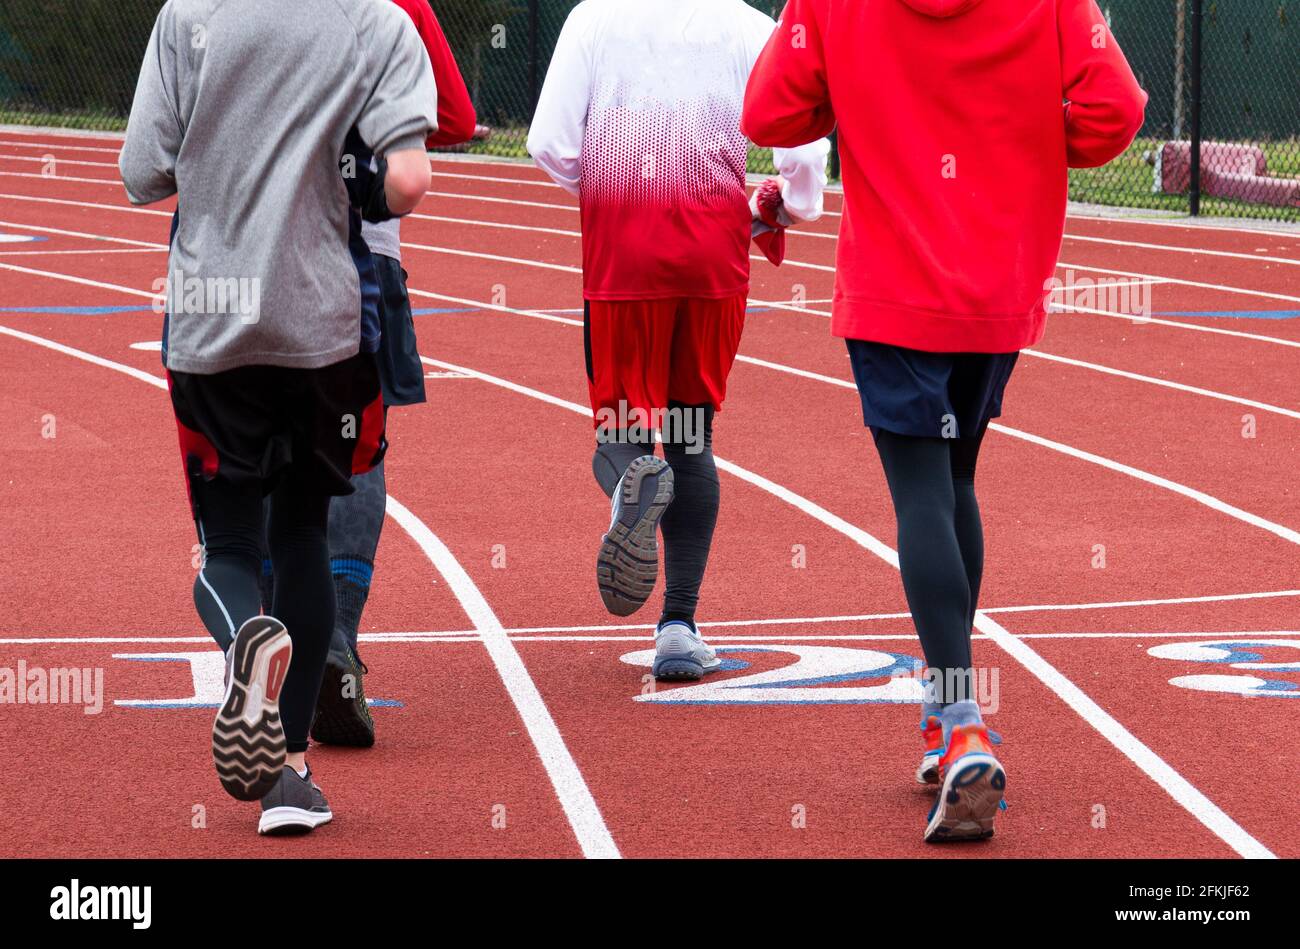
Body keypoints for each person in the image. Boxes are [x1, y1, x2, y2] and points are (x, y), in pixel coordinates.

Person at [742, 0, 1146, 841]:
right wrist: (1027, 140)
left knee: (923, 491)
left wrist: (851, 100)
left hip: (894, 285)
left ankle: (960, 720)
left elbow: (769, 112)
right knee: (957, 479)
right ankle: (943, 716)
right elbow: (1117, 111)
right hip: (1001, 279)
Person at [120, 0, 436, 834]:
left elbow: (139, 171)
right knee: (302, 537)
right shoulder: (376, 20)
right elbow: (406, 182)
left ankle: (243, 645)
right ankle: (290, 777)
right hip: (325, 326)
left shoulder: (188, 15)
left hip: (210, 320)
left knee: (228, 546)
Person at [527, 0, 828, 681]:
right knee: (692, 436)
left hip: (623, 252)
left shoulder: (592, 20)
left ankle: (630, 488)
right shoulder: (753, 28)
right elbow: (804, 145)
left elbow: (550, 143)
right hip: (712, 257)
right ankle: (678, 627)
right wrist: (795, 202)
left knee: (623, 423)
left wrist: (612, 190)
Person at [287, 0, 477, 750]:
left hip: (251, 260)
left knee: (261, 442)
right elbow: (454, 120)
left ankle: (269, 636)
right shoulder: (402, 9)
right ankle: (336, 633)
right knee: (357, 448)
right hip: (369, 253)